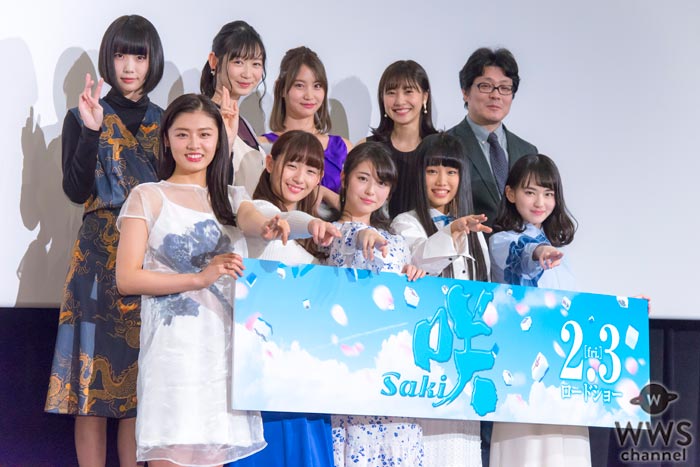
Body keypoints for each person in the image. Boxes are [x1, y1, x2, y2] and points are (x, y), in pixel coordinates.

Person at [114, 93, 305, 466]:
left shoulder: (232, 199)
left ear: (219, 140)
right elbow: (127, 278)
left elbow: (255, 221)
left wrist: (271, 225)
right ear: (167, 139)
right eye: (182, 134)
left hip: (222, 356)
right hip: (172, 356)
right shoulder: (148, 196)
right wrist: (198, 279)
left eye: (204, 134)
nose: (194, 144)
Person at [44, 15, 164, 466]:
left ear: (153, 61)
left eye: (139, 56)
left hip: (148, 259)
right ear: (107, 59)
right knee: (90, 393)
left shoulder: (167, 121)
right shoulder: (81, 116)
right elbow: (75, 191)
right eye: (120, 55)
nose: (129, 66)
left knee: (137, 394)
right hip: (95, 261)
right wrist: (92, 130)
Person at [233, 131, 341, 467]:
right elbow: (282, 220)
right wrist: (312, 222)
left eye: (310, 170)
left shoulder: (318, 239)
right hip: (261, 374)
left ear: (319, 179)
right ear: (269, 164)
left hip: (306, 371)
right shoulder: (259, 214)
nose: (299, 177)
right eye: (292, 165)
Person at [324, 142, 426, 467]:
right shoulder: (329, 232)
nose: (371, 191)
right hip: (351, 360)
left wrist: (413, 275)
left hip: (394, 364)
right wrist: (362, 236)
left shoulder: (397, 240)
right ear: (344, 178)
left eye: (381, 183)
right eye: (363, 179)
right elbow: (348, 238)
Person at [391, 132, 490, 466]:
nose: (441, 181)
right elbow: (418, 263)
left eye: (451, 171)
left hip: (464, 356)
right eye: (432, 171)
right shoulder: (406, 222)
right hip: (426, 354)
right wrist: (452, 231)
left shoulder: (476, 234)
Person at [488, 154, 588, 467]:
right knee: (527, 451)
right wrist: (538, 251)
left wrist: (628, 310)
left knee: (565, 451)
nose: (540, 202)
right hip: (522, 365)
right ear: (510, 193)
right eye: (530, 192)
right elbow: (521, 255)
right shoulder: (501, 241)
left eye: (548, 193)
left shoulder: (560, 252)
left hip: (563, 368)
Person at [447, 47, 538, 228]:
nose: (495, 95)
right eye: (486, 86)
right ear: (465, 92)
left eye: (504, 88)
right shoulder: (445, 145)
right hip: (467, 243)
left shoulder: (527, 151)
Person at [259, 46, 351, 197]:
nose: (309, 95)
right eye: (299, 85)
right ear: (281, 89)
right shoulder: (262, 146)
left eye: (317, 86)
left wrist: (326, 195)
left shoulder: (344, 148)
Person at [201, 20, 267, 196]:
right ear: (214, 61)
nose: (247, 73)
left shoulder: (245, 123)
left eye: (256, 64)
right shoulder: (203, 117)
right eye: (238, 62)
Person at [365, 60, 437, 218]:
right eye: (391, 92)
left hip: (430, 232)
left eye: (408, 91)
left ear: (425, 97)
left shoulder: (440, 148)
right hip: (376, 232)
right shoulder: (368, 148)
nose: (399, 101)